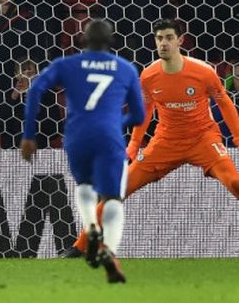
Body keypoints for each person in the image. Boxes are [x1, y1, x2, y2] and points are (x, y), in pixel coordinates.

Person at [64, 19, 239, 269]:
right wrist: (134, 145)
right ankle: (80, 246)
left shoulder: (203, 71)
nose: (163, 43)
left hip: (203, 139)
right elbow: (144, 110)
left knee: (234, 182)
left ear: (180, 41)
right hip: (165, 142)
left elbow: (224, 103)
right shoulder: (149, 75)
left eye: (169, 37)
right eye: (159, 38)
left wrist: (237, 136)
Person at [20, 19, 145, 283]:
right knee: (113, 199)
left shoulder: (67, 65)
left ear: (83, 40)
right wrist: (114, 123)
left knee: (85, 186)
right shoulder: (125, 69)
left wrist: (29, 135)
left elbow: (35, 90)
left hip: (77, 136)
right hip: (109, 138)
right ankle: (109, 250)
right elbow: (139, 115)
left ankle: (89, 226)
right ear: (112, 42)